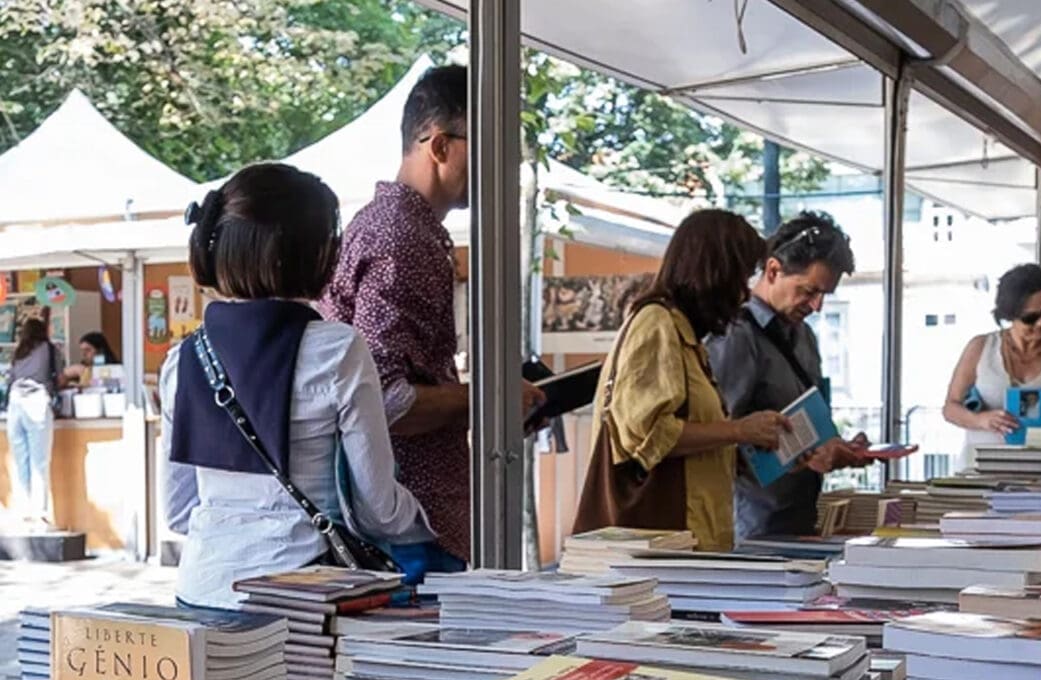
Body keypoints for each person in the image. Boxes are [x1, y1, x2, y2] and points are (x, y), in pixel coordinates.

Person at [161, 163, 433, 609]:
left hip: (199, 591)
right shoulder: (337, 350)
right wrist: (430, 523)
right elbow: (378, 508)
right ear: (316, 254)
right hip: (301, 596)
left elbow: (177, 511)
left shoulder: (182, 360)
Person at [320, 63, 542, 580]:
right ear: (439, 145)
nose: (501, 165)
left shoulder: (384, 226)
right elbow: (384, 399)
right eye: (489, 145)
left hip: (401, 516)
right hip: (408, 521)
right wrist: (493, 401)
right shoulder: (404, 239)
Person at [576, 209, 789, 552]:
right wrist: (738, 430)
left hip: (692, 540)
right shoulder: (656, 324)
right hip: (662, 545)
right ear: (716, 272)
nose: (745, 294)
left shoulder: (683, 332)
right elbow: (646, 435)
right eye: (741, 277)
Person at [708, 211, 873, 541]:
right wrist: (794, 454)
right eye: (809, 291)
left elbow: (804, 417)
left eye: (825, 295)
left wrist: (831, 447)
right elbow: (718, 438)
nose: (817, 306)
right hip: (752, 522)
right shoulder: (735, 336)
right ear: (772, 270)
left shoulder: (804, 337)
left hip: (799, 514)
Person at [943, 264, 1041, 468]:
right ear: (1009, 316)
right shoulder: (980, 347)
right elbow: (951, 408)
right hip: (982, 467)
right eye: (1030, 318)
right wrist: (981, 420)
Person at [5, 317, 63, 525]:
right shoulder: (49, 349)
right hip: (37, 402)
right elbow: (60, 377)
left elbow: (10, 379)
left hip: (15, 404)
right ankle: (40, 512)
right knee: (39, 461)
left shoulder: (18, 352)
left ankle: (23, 510)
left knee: (20, 459)